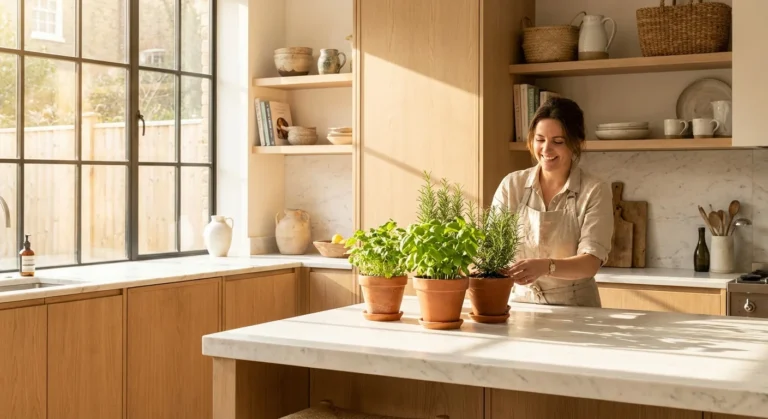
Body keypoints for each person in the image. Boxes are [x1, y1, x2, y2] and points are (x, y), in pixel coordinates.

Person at [492, 97, 614, 307]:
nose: (546, 150)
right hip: (519, 303)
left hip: (576, 308)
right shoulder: (513, 185)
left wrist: (546, 266)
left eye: (558, 142)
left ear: (576, 143)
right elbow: (493, 248)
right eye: (540, 140)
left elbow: (590, 263)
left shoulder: (594, 190)